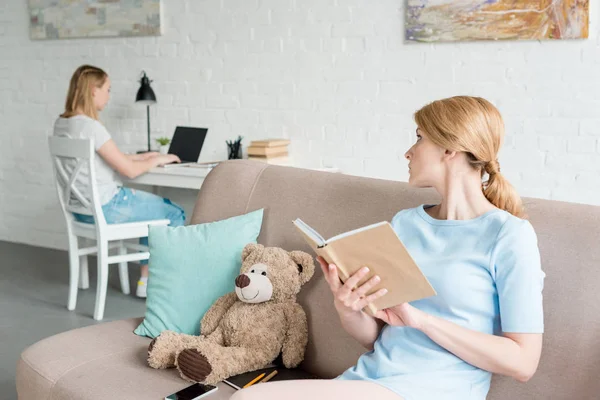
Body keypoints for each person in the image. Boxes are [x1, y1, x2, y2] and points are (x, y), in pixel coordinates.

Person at [230, 96, 545, 400]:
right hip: (370, 380)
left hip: (439, 389)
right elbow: (376, 337)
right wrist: (348, 306)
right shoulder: (406, 224)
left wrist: (420, 320)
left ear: (450, 148)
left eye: (419, 137)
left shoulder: (510, 235)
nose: (408, 152)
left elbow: (523, 363)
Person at [53, 65, 185, 298]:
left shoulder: (63, 124)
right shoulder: (91, 126)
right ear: (94, 90)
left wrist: (144, 156)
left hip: (82, 211)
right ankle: (161, 284)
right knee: (172, 213)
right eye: (108, 89)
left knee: (154, 213)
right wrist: (159, 160)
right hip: (108, 207)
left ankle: (146, 279)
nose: (109, 96)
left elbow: (106, 158)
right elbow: (130, 172)